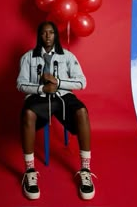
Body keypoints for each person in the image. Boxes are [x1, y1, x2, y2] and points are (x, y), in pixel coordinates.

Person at [17, 21, 96, 200]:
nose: (47, 36)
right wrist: (41, 89)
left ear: (56, 35)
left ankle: (85, 169)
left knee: (82, 111)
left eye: (51, 32)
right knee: (28, 113)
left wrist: (58, 82)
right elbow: (20, 84)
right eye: (44, 33)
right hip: (39, 97)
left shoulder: (67, 56)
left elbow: (82, 82)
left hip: (63, 97)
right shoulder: (28, 57)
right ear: (39, 35)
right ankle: (29, 171)